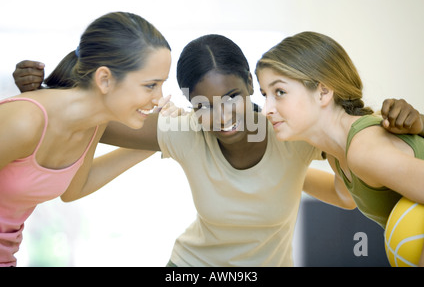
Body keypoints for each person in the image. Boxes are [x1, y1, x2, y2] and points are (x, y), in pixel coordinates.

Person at [13, 34, 423, 267]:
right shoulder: (186, 130)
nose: (222, 115)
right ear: (190, 104)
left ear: (251, 86)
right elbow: (92, 117)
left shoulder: (291, 132)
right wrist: (44, 96)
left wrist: (412, 125)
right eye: (203, 105)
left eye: (233, 96)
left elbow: (345, 189)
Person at [0, 11, 173, 266]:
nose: (159, 97)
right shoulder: (26, 120)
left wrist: (159, 143)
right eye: (150, 85)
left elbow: (74, 189)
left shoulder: (93, 124)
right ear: (104, 79)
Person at [255, 31, 424, 266]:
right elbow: (344, 197)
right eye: (265, 95)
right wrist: (281, 170)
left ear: (323, 92)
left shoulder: (363, 150)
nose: (267, 110)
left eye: (279, 92)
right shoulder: (339, 155)